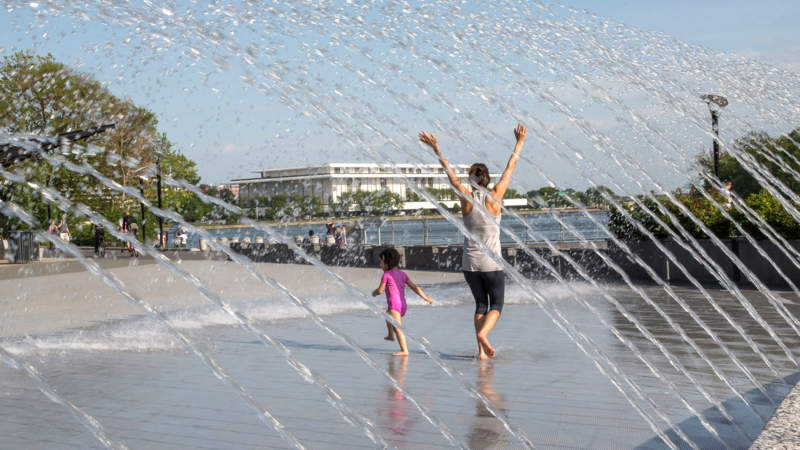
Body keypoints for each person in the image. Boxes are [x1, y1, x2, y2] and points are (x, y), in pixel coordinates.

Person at [419, 123, 526, 359]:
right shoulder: (496, 195)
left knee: (480, 305)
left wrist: (436, 148)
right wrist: (519, 142)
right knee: (496, 305)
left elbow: (450, 174)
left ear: (471, 180)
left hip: (470, 264)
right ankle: (484, 336)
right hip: (492, 264)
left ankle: (481, 353)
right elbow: (510, 168)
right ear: (487, 180)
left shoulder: (465, 198)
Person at [372, 247, 434, 356]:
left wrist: (374, 293)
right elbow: (415, 287)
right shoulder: (402, 274)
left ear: (387, 263)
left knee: (398, 328)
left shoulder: (386, 275)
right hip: (403, 305)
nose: (380, 265)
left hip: (394, 305)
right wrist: (426, 298)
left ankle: (404, 350)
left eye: (381, 263)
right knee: (387, 316)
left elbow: (380, 290)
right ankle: (391, 335)